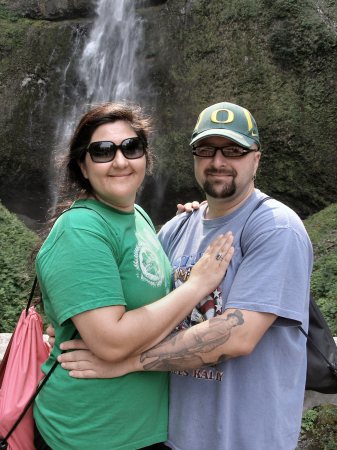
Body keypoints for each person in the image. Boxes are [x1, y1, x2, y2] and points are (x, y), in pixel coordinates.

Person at [58, 101, 313, 450]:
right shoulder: (175, 228)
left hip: (246, 439)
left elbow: (237, 336)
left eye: (234, 150)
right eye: (206, 150)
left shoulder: (276, 227)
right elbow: (135, 303)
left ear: (257, 158)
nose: (218, 161)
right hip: (171, 437)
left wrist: (127, 362)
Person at [33, 102, 234, 450]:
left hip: (145, 428)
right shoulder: (80, 228)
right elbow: (111, 342)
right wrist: (198, 285)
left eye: (131, 147)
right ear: (82, 164)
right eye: (102, 151)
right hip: (89, 432)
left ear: (145, 157)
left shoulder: (137, 216)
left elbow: (138, 284)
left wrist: (191, 220)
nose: (120, 161)